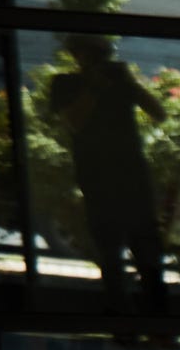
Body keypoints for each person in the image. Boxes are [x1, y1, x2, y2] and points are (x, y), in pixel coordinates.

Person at [45, 36, 168, 314]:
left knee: (148, 251)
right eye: (92, 55)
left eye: (102, 56)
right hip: (98, 180)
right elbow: (74, 122)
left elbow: (159, 113)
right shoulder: (66, 84)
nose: (98, 62)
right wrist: (94, 88)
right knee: (110, 255)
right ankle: (124, 323)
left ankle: (159, 322)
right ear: (77, 55)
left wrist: (132, 84)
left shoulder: (120, 82)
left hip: (132, 177)